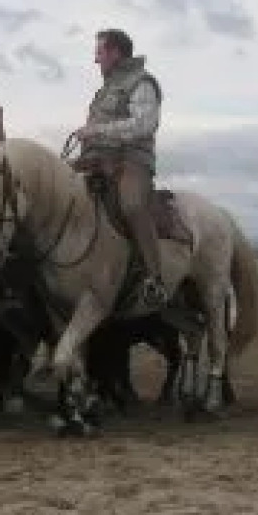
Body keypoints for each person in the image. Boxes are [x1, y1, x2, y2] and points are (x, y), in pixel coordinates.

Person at [68, 27, 167, 312]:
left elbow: (143, 125)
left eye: (99, 52)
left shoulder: (143, 82)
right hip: (96, 160)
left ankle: (154, 279)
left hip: (131, 160)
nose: (96, 60)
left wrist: (96, 130)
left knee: (132, 204)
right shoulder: (105, 88)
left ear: (115, 52)